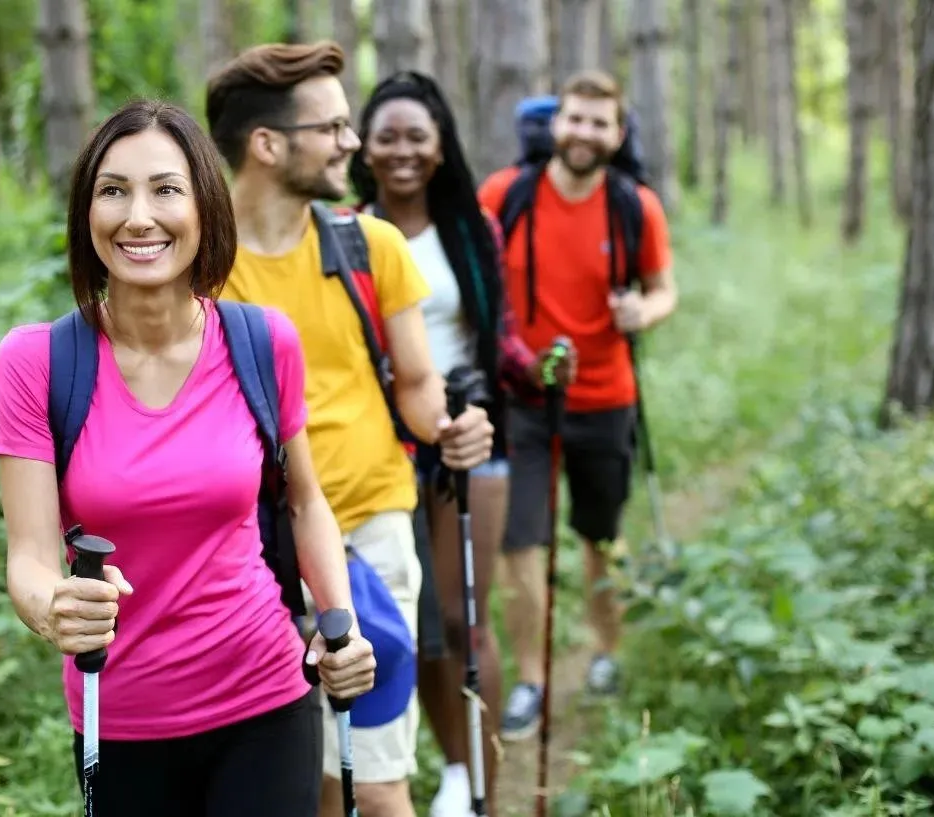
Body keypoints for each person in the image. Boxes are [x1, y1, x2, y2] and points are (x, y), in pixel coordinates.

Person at [0, 98, 377, 816]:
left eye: (165, 189)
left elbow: (304, 502)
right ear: (86, 214)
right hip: (121, 712)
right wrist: (54, 609)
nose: (139, 216)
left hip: (265, 693)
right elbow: (29, 556)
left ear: (204, 210)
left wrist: (340, 624)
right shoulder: (36, 361)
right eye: (113, 191)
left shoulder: (263, 342)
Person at [204, 42, 496, 817]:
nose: (352, 142)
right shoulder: (197, 264)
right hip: (242, 562)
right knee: (297, 779)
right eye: (331, 127)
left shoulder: (373, 247)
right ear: (267, 145)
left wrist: (449, 428)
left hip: (366, 534)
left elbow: (416, 386)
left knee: (372, 778)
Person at [348, 69, 572, 817]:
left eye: (418, 135)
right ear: (365, 148)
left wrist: (537, 375)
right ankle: (444, 766)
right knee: (409, 616)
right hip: (383, 442)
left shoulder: (473, 229)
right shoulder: (345, 231)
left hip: (474, 434)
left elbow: (498, 332)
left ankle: (476, 783)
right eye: (388, 137)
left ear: (441, 146)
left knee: (459, 613)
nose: (403, 150)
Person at [477, 70, 678, 740]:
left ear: (619, 135)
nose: (585, 133)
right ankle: (531, 679)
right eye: (576, 119)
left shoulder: (634, 206)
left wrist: (640, 311)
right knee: (518, 542)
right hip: (523, 397)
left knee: (600, 538)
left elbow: (663, 289)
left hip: (605, 395)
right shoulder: (506, 195)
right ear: (554, 123)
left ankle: (607, 653)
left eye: (600, 123)